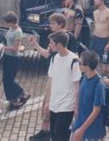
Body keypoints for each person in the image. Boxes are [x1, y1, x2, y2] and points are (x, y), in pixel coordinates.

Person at [29, 13, 78, 141]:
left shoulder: (69, 39)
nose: (50, 26)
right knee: (47, 104)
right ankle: (46, 130)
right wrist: (35, 45)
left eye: (53, 23)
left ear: (61, 24)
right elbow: (47, 54)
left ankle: (49, 131)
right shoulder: (53, 41)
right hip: (54, 76)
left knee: (61, 130)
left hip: (65, 85)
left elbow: (74, 60)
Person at [47, 31, 81, 141]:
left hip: (67, 105)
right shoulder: (54, 58)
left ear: (59, 45)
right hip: (54, 104)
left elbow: (77, 85)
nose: (50, 45)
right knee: (53, 134)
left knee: (60, 135)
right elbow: (51, 81)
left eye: (51, 43)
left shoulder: (74, 60)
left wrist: (76, 105)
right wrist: (47, 102)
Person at [71, 51, 106, 141]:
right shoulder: (83, 78)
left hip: (92, 131)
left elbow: (96, 111)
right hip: (80, 124)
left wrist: (81, 130)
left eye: (80, 63)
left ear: (87, 66)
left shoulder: (99, 85)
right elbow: (79, 95)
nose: (78, 65)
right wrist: (76, 108)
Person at [2, 11, 30, 109]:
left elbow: (15, 48)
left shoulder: (18, 32)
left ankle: (23, 93)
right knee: (6, 79)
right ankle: (13, 100)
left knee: (9, 79)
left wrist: (3, 47)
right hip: (7, 56)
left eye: (7, 22)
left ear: (12, 22)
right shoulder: (11, 28)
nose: (5, 24)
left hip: (13, 58)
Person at [91, 0, 109, 77]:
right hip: (95, 39)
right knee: (93, 62)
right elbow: (95, 25)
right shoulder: (95, 12)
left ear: (102, 0)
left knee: (105, 67)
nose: (95, 0)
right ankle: (100, 81)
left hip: (104, 40)